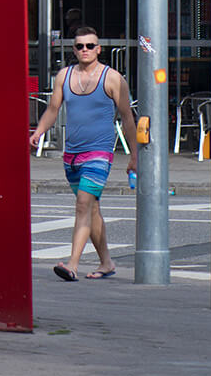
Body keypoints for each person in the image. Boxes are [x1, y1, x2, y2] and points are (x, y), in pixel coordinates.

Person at [29, 26, 136, 282]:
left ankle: (72, 264)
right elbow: (53, 109)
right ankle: (106, 262)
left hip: (99, 153)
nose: (85, 50)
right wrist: (39, 131)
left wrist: (134, 155)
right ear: (74, 49)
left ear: (98, 49)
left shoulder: (112, 78)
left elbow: (127, 117)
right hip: (72, 155)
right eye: (80, 46)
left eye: (90, 46)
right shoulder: (64, 76)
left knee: (82, 206)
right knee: (92, 208)